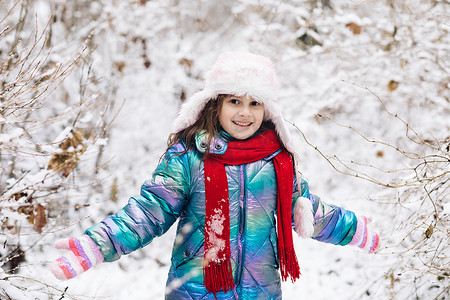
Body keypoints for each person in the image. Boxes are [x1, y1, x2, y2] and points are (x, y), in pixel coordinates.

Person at [51, 51, 380, 299]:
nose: (244, 112)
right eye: (234, 100)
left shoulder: (276, 160)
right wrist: (95, 246)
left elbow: (307, 210)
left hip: (260, 292)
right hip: (196, 291)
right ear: (215, 105)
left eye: (254, 103)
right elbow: (147, 214)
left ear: (267, 110)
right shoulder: (189, 156)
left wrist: (356, 229)